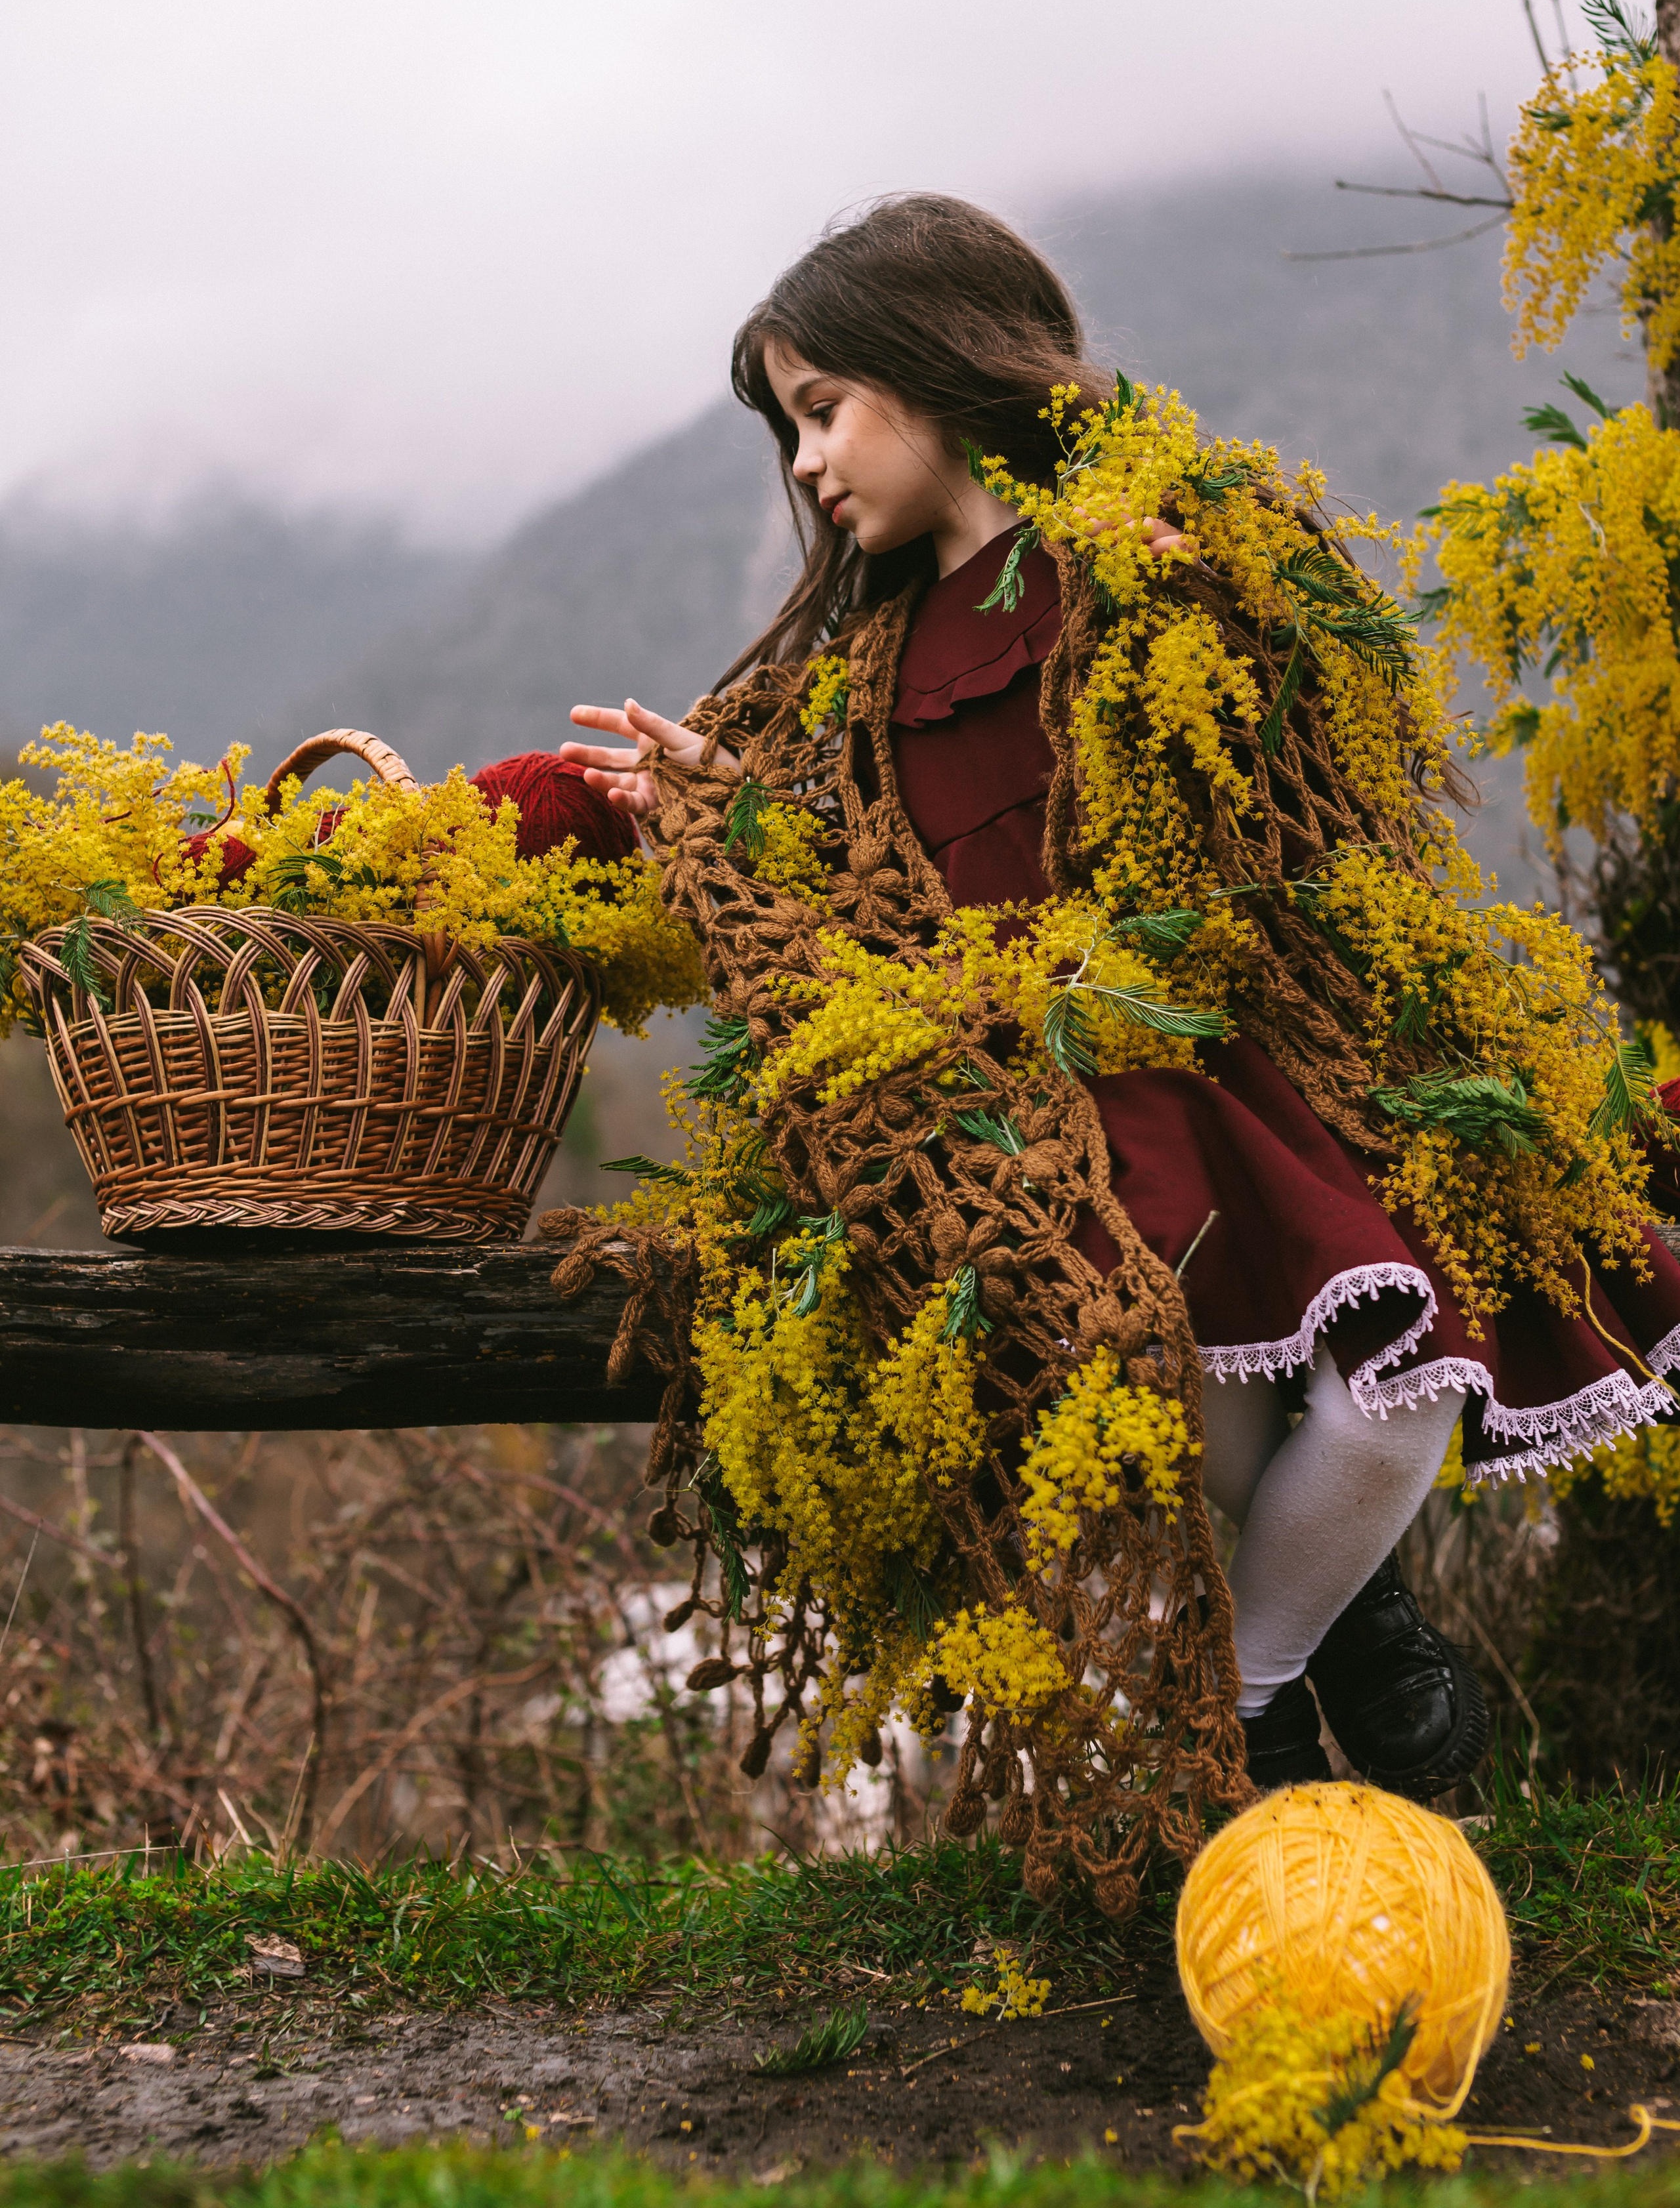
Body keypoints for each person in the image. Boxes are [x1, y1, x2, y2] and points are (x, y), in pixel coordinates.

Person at [562, 193, 1680, 1799]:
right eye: (789, 431)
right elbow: (854, 884)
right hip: (1019, 1104)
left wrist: (1198, 591)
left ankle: (1253, 1682)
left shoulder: (1148, 548)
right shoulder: (860, 662)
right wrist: (720, 805)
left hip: (1220, 1053)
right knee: (1165, 1389)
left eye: (823, 412)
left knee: (1392, 1387)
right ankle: (1300, 1702)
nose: (805, 465)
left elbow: (1294, 772)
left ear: (931, 366)